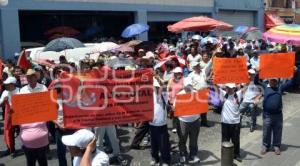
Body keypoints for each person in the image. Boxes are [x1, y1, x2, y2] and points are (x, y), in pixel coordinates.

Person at [258, 76, 295, 155]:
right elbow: (256, 81)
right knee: (266, 131)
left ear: (277, 81)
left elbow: (291, 82)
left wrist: (295, 72)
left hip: (278, 115)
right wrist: (257, 72)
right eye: (272, 80)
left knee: (277, 131)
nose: (274, 82)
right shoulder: (265, 86)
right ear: (269, 80)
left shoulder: (280, 87)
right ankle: (265, 146)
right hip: (267, 115)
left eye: (275, 80)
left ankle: (276, 146)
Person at [19, 69, 49, 166]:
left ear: (36, 77)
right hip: (27, 123)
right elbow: (20, 107)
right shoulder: (23, 90)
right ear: (26, 79)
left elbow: (47, 103)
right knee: (30, 160)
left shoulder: (43, 87)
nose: (31, 79)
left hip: (41, 121)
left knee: (42, 159)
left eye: (33, 76)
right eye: (28, 77)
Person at [175, 78, 201, 164]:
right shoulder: (179, 95)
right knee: (182, 139)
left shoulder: (196, 93)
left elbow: (201, 104)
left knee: (194, 139)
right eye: (187, 86)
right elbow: (175, 108)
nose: (188, 88)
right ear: (184, 86)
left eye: (190, 86)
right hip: (183, 121)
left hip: (195, 120)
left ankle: (193, 154)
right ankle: (183, 154)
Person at [149, 77, 171, 166]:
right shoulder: (149, 95)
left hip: (162, 123)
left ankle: (166, 160)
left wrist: (161, 86)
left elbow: (165, 87)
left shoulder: (164, 94)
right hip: (151, 123)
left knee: (163, 144)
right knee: (153, 143)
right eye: (154, 86)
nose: (156, 88)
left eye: (157, 87)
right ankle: (155, 158)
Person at [220, 83, 243, 162]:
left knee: (236, 140)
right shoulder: (223, 94)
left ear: (234, 88)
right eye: (227, 88)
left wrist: (250, 78)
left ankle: (236, 154)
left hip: (236, 122)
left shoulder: (238, 94)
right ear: (225, 88)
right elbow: (215, 86)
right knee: (225, 140)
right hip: (225, 122)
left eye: (231, 88)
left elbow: (247, 86)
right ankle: (225, 155)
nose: (229, 89)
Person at [187, 60, 212, 127]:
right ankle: (196, 122)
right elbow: (189, 85)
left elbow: (209, 64)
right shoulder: (190, 75)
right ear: (193, 68)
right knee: (196, 108)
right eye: (196, 66)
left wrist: (213, 55)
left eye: (198, 65)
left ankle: (204, 122)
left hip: (204, 92)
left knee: (204, 107)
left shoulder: (203, 71)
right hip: (196, 92)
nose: (198, 66)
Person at [0, 77, 20, 157]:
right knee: (9, 132)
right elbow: (0, 104)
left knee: (23, 130)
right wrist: (4, 101)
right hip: (9, 114)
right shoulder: (5, 92)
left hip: (19, 114)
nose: (5, 86)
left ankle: (28, 146)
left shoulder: (20, 91)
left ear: (12, 84)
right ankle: (11, 149)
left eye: (7, 84)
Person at [167, 67, 184, 133]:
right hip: (172, 99)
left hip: (181, 99)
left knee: (181, 114)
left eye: (177, 73)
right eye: (175, 73)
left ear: (180, 73)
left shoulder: (184, 80)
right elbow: (168, 89)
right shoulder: (171, 80)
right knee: (174, 114)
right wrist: (168, 97)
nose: (176, 74)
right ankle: (174, 127)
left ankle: (181, 126)